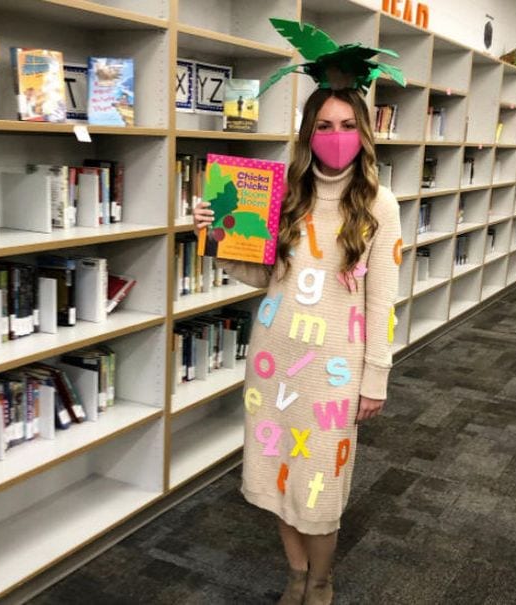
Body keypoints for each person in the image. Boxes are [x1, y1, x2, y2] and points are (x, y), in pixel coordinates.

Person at [193, 19, 403, 605]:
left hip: (333, 367)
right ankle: (293, 574)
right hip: (272, 359)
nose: (334, 137)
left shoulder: (380, 204)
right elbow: (265, 277)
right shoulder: (284, 191)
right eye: (322, 127)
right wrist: (219, 240)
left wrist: (376, 377)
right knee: (274, 470)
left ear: (361, 132)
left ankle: (322, 578)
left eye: (344, 126)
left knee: (320, 485)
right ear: (306, 133)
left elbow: (383, 297)